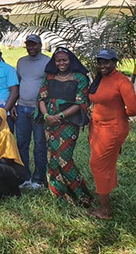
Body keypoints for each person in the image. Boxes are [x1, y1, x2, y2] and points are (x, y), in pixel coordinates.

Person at [37, 47, 93, 206]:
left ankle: (82, 195)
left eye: (64, 60)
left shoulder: (79, 78)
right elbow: (41, 98)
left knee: (64, 158)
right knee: (52, 158)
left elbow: (81, 102)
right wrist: (47, 116)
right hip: (49, 123)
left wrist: (60, 116)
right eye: (58, 60)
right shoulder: (49, 77)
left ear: (71, 61)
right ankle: (59, 193)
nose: (61, 63)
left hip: (68, 123)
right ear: (54, 62)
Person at [88, 49, 136, 219]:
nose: (103, 65)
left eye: (107, 62)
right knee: (105, 163)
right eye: (100, 62)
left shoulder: (122, 82)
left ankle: (105, 210)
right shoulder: (100, 78)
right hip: (97, 127)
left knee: (98, 164)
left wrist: (116, 113)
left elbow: (133, 109)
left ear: (114, 62)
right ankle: (106, 192)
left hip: (113, 129)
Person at [10, 34, 49, 189]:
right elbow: (18, 84)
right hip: (21, 108)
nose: (31, 47)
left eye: (34, 45)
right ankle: (24, 176)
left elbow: (49, 87)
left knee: (39, 145)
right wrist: (14, 104)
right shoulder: (21, 62)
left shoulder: (47, 62)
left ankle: (38, 179)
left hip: (38, 110)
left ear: (40, 45)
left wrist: (43, 109)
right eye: (29, 45)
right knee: (21, 144)